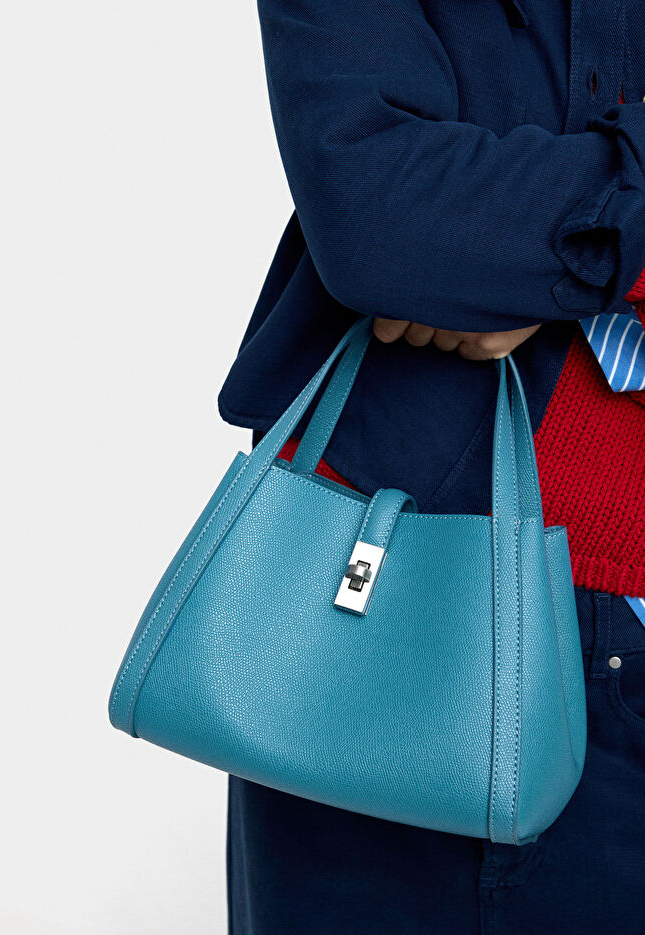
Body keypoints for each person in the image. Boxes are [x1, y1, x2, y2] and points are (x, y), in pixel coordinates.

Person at [218, 1, 645, 931]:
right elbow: (378, 212)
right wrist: (608, 236)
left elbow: (430, 222)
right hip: (384, 604)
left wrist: (535, 253)